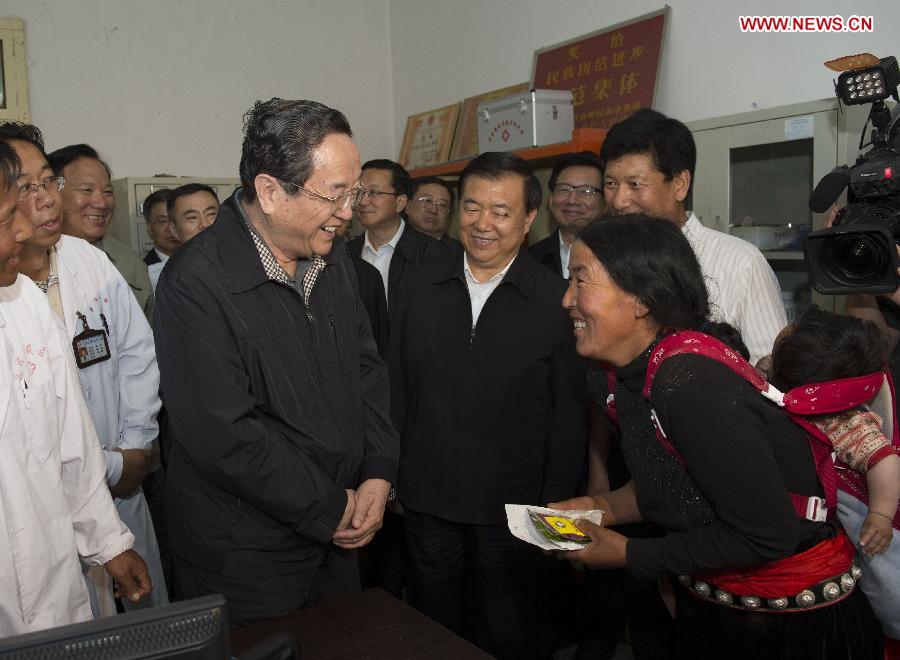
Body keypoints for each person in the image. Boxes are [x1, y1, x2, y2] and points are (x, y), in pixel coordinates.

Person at [552, 214, 882, 658]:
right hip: (717, 613)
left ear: (641, 298)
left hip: (791, 630)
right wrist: (602, 509)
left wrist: (628, 554)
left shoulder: (689, 383)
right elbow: (676, 479)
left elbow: (766, 535)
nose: (566, 299)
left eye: (581, 281)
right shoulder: (614, 377)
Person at [153, 98, 399, 626]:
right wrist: (330, 507)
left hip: (338, 533)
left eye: (353, 194)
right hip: (246, 557)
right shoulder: (195, 283)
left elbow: (367, 373)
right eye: (335, 195)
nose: (348, 212)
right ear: (269, 191)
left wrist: (378, 473)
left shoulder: (333, 264)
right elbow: (223, 434)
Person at [391, 152, 587, 659]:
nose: (482, 224)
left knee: (511, 631)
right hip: (427, 499)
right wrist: (390, 474)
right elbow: (397, 389)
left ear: (527, 220)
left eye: (500, 212)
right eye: (471, 207)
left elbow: (569, 420)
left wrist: (554, 513)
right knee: (436, 627)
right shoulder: (419, 285)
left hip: (515, 509)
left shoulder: (557, 301)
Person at [1, 123, 168, 613]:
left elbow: (138, 355)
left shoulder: (87, 263)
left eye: (48, 180)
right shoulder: (18, 299)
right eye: (25, 189)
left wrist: (134, 447)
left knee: (140, 622)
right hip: (38, 524)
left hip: (115, 485)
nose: (46, 199)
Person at [601, 109, 786, 365]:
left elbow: (772, 374)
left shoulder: (742, 263)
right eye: (611, 184)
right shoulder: (606, 260)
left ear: (680, 184)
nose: (619, 201)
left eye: (635, 184)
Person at [769, 306, 900, 641]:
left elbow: (884, 460)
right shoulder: (807, 386)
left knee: (886, 581)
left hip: (861, 515)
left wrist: (881, 515)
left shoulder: (845, 420)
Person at [47, 144, 155, 323]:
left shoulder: (129, 262)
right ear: (52, 193)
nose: (101, 203)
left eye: (107, 192)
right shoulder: (31, 262)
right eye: (87, 190)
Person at [348, 159, 447, 312]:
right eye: (359, 192)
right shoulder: (345, 254)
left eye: (374, 193)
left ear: (400, 202)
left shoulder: (435, 254)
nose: (363, 201)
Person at [529, 151, 604, 278]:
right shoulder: (530, 259)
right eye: (564, 189)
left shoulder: (620, 257)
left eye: (585, 191)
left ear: (605, 201)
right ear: (551, 199)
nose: (572, 200)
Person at [406, 176, 461, 250]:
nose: (433, 210)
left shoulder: (459, 254)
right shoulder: (392, 243)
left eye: (442, 205)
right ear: (408, 206)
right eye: (427, 200)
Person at [142, 188, 180, 265]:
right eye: (163, 221)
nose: (170, 229)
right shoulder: (142, 270)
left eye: (175, 220)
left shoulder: (203, 262)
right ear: (149, 227)